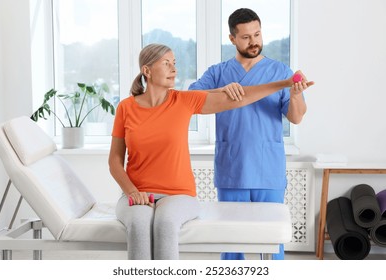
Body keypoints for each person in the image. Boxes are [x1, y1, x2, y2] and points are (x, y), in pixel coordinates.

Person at [108, 43, 312, 260]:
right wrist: (132, 192)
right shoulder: (125, 107)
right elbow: (115, 160)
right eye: (166, 64)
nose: (174, 70)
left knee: (165, 223)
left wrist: (286, 83)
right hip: (137, 192)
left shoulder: (183, 101)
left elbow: (241, 97)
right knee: (139, 224)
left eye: (174, 63)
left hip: (178, 195)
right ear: (146, 71)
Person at [188, 8, 308, 260]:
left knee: (273, 240)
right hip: (233, 167)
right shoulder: (218, 73)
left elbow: (296, 117)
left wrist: (295, 95)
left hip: (268, 168)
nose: (254, 42)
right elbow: (191, 100)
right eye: (246, 37)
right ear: (232, 39)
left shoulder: (280, 72)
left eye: (257, 34)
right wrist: (222, 90)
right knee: (231, 241)